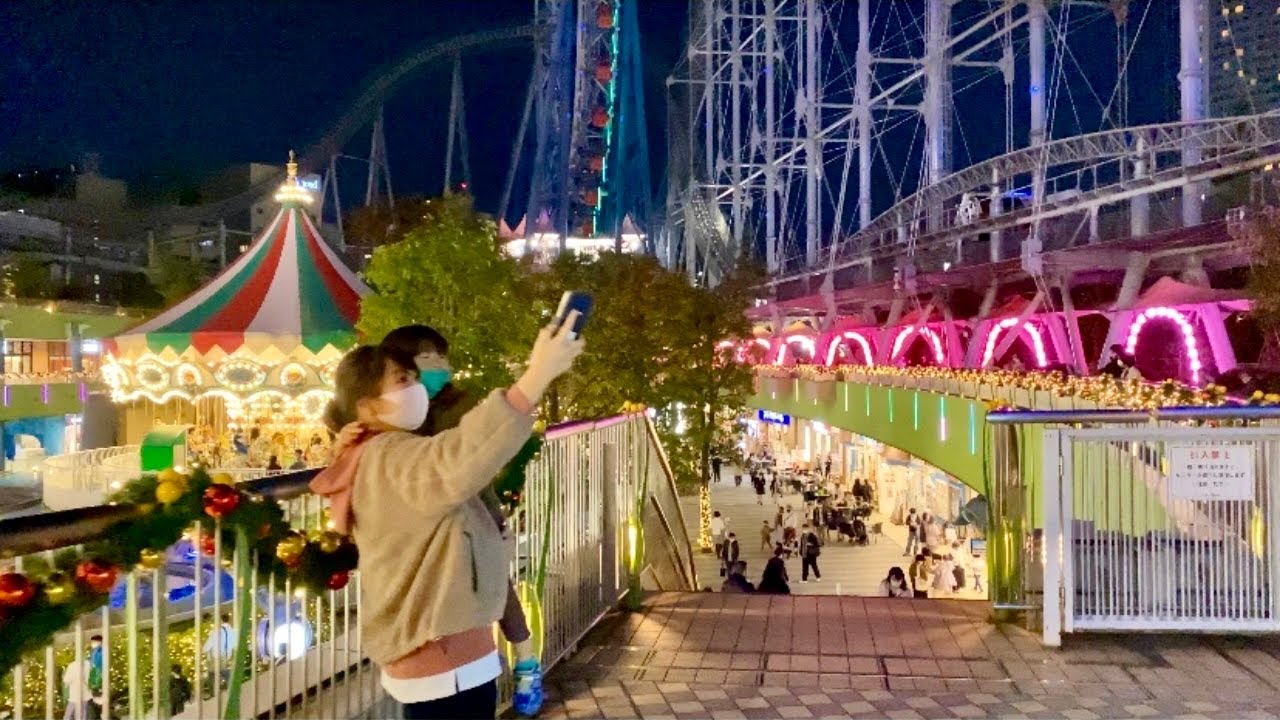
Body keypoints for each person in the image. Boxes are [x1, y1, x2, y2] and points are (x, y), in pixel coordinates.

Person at [309, 314, 583, 720]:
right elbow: (461, 454)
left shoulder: (377, 451)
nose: (417, 387)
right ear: (368, 407)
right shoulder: (389, 456)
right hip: (442, 654)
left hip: (445, 649)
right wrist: (537, 375)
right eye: (403, 380)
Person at [380, 325, 545, 691]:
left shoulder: (457, 408)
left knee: (490, 580)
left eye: (442, 356)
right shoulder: (391, 415)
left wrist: (495, 520)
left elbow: (478, 459)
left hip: (470, 510)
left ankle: (524, 658)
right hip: (424, 522)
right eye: (428, 356)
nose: (440, 364)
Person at [62, 656, 97, 720]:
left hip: (74, 695)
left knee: (68, 715)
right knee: (83, 713)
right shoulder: (89, 664)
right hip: (85, 694)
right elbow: (93, 678)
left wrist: (64, 677)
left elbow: (67, 680)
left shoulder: (72, 665)